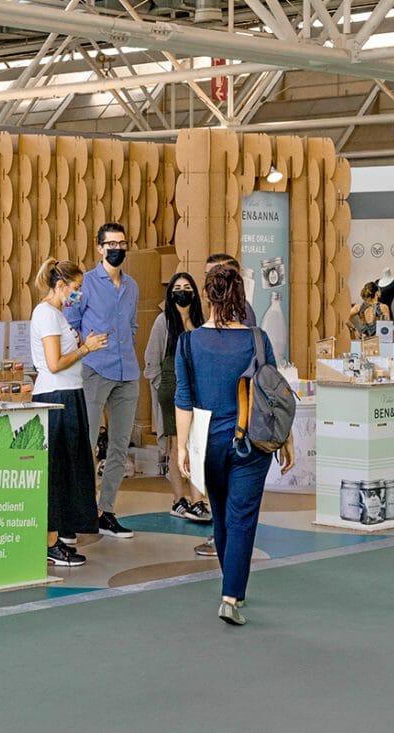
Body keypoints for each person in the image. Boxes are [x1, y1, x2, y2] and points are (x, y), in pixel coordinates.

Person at [175, 264, 294, 626]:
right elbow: (275, 395)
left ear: (207, 297)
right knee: (242, 516)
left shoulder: (189, 342)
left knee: (223, 514)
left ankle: (233, 585)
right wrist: (285, 438)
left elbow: (183, 397)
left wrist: (181, 447)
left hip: (207, 441)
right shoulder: (258, 340)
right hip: (252, 441)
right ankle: (231, 595)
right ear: (241, 297)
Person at [30, 258, 109, 566]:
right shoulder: (46, 314)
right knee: (57, 469)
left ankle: (63, 535)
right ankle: (49, 543)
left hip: (70, 393)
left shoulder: (59, 315)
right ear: (60, 286)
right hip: (55, 396)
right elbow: (53, 363)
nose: (79, 294)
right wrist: (85, 348)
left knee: (72, 467)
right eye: (76, 288)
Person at [65, 223, 139, 539]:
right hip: (94, 369)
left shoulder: (132, 286)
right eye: (111, 243)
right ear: (99, 248)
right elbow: (69, 322)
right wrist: (87, 345)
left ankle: (105, 511)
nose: (117, 248)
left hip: (128, 373)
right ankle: (78, 513)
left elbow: (133, 325)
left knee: (120, 446)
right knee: (87, 443)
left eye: (122, 243)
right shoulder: (85, 284)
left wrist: (127, 340)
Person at [193, 254, 254, 557]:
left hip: (239, 430)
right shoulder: (201, 332)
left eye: (215, 276)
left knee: (235, 508)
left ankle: (231, 580)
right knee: (227, 506)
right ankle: (229, 564)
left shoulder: (247, 325)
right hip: (218, 431)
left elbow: (260, 377)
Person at [144, 272, 211, 523]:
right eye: (177, 287)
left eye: (187, 287)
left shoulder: (201, 322)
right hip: (172, 388)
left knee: (197, 445)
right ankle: (179, 499)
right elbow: (151, 360)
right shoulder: (164, 322)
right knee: (177, 445)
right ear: (171, 293)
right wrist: (163, 387)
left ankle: (198, 500)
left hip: (198, 389)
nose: (182, 291)